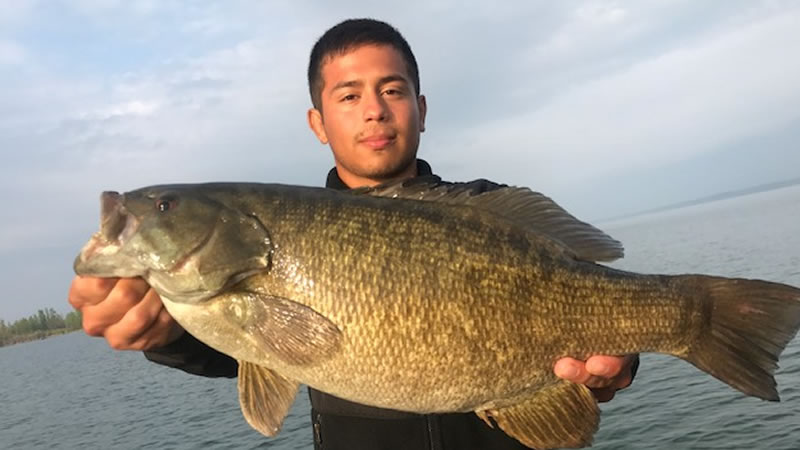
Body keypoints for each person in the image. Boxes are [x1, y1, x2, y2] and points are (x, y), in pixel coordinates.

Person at [68, 18, 639, 449]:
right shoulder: (255, 261)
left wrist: (623, 361)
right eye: (348, 95)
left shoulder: (485, 210)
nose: (374, 111)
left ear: (419, 108)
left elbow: (599, 295)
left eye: (392, 91)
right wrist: (159, 331)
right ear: (317, 122)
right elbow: (227, 348)